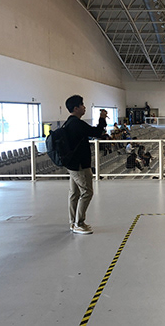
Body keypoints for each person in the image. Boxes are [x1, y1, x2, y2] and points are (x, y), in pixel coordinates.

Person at [62, 95, 107, 235]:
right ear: (76, 108)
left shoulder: (68, 123)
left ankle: (73, 222)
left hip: (72, 165)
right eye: (82, 105)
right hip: (80, 165)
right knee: (87, 192)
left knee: (74, 193)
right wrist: (102, 118)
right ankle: (79, 223)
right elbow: (97, 132)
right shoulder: (77, 124)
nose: (84, 107)